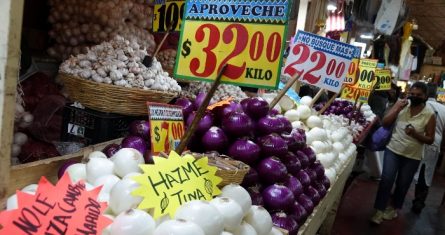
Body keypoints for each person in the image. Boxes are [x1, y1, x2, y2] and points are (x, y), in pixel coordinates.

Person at [371, 82, 436, 224]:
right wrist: (397, 108)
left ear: (425, 96)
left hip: (412, 156)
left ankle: (393, 208)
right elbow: (385, 122)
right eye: (412, 94)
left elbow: (430, 139)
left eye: (419, 95)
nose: (415, 97)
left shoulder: (429, 114)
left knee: (402, 184)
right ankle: (379, 210)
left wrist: (415, 134)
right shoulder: (402, 105)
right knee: (386, 180)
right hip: (393, 149)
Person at [412, 83, 445, 213]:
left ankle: (398, 195)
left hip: (417, 139)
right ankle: (419, 202)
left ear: (425, 94)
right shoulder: (443, 109)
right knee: (426, 173)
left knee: (408, 167)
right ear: (436, 94)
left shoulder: (421, 105)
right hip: (434, 143)